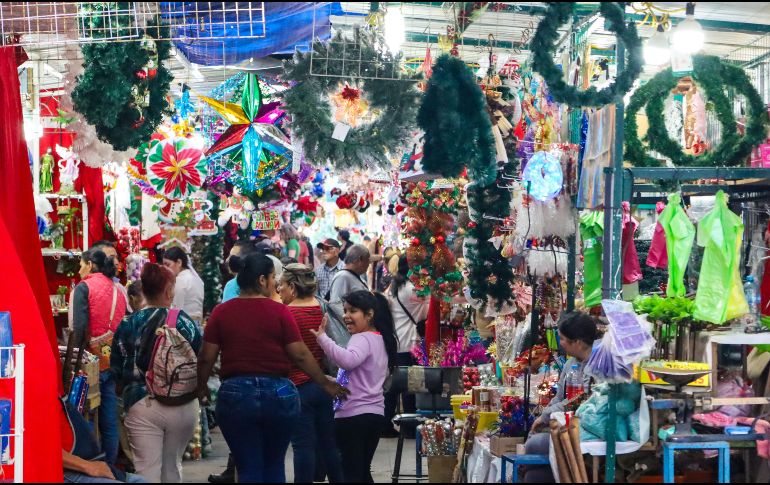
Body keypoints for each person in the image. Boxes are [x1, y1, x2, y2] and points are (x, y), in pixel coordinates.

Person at [197, 254, 349, 483]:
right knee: (273, 465)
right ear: (261, 280)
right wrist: (324, 382)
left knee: (247, 466)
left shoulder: (222, 312)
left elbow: (207, 357)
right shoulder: (280, 312)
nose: (275, 284)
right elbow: (299, 354)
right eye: (272, 278)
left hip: (236, 394)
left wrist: (201, 388)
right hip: (279, 394)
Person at [111, 263, 202, 483]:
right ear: (169, 291)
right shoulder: (183, 321)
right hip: (181, 402)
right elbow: (199, 357)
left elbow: (116, 368)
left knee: (146, 469)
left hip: (141, 403)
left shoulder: (127, 323)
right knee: (173, 466)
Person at [312, 290, 397, 483]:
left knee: (351, 472)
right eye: (345, 310)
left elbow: (349, 361)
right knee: (361, 471)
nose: (346, 316)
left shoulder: (362, 338)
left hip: (354, 415)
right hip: (374, 414)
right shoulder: (379, 338)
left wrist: (323, 339)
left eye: (353, 311)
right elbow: (363, 374)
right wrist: (333, 380)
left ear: (369, 314)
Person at [278, 264, 344, 484]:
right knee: (328, 444)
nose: (280, 291)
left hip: (297, 386)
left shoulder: (286, 313)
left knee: (303, 446)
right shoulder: (321, 307)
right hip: (324, 383)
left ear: (293, 287)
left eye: (282, 286)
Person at [523, 311, 599, 483]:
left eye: (563, 339)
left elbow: (581, 400)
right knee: (533, 465)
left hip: (585, 428)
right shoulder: (571, 364)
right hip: (562, 422)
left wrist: (545, 416)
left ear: (578, 342)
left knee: (533, 445)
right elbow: (559, 397)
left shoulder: (597, 366)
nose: (561, 343)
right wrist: (545, 415)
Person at [70, 248, 128, 465]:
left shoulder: (83, 288)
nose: (79, 269)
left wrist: (75, 363)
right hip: (112, 360)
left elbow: (79, 328)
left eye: (81, 264)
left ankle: (89, 463)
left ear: (91, 265)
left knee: (83, 415)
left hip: (89, 361)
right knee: (109, 417)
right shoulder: (118, 290)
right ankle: (110, 465)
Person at [384, 255, 429, 435]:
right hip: (410, 344)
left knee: (394, 387)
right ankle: (409, 428)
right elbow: (429, 307)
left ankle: (387, 424)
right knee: (412, 387)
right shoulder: (412, 290)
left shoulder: (395, 286)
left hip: (397, 342)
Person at [326, 245, 371, 348]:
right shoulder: (343, 277)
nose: (369, 264)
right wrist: (354, 324)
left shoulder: (354, 276)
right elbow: (335, 305)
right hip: (350, 334)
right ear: (360, 260)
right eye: (367, 260)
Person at [162, 247, 205, 323]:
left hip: (185, 325)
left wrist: (169, 330)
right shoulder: (195, 278)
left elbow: (175, 310)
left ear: (179, 262)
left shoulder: (180, 281)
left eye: (168, 265)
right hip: (196, 323)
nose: (165, 269)